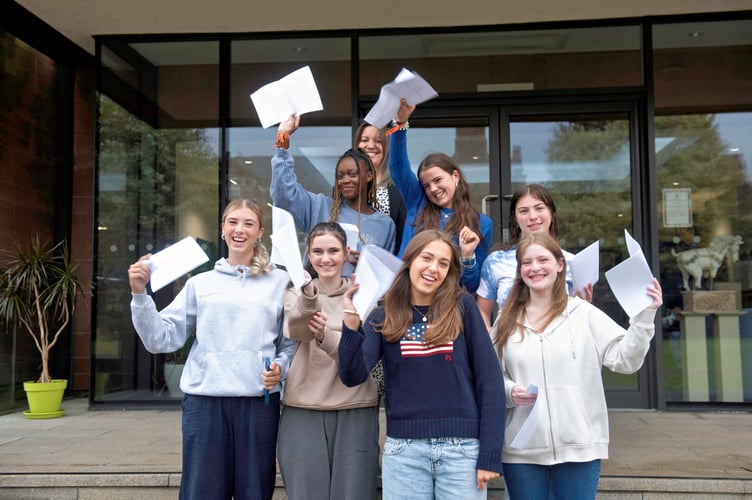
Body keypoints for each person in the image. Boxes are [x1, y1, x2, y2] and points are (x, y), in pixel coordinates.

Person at [127, 199, 294, 500]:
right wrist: (140, 295)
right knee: (200, 493)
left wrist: (281, 368)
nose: (239, 229)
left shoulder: (280, 282)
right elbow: (160, 339)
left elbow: (290, 344)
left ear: (260, 232)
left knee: (255, 493)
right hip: (204, 404)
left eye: (248, 223)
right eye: (232, 222)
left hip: (258, 404)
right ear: (222, 229)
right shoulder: (200, 284)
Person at [493, 233, 662, 500]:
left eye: (542, 260)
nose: (534, 268)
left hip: (580, 448)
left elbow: (626, 361)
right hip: (521, 451)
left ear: (560, 265)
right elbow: (491, 377)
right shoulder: (505, 319)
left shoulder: (584, 314)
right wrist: (509, 391)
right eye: (526, 262)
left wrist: (644, 317)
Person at [338, 229, 505, 499]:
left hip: (461, 451)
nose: (433, 269)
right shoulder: (384, 315)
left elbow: (490, 382)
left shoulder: (462, 307)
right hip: (404, 453)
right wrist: (351, 320)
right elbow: (352, 375)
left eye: (443, 263)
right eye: (427, 258)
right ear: (410, 261)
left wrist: (489, 455)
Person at [278, 221, 380, 500]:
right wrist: (310, 297)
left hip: (356, 409)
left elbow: (360, 356)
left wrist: (326, 334)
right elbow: (298, 330)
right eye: (318, 252)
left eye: (333, 250)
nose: (325, 259)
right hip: (303, 409)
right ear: (308, 255)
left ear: (347, 253)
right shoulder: (295, 292)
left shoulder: (366, 295)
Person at [388, 100, 492, 293]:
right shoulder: (417, 202)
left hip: (449, 308)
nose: (433, 189)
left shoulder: (481, 223)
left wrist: (468, 256)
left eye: (438, 180)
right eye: (426, 185)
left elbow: (473, 286)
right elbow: (398, 168)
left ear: (455, 176)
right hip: (406, 300)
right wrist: (400, 125)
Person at [271, 114, 396, 275]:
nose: (345, 180)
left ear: (369, 176)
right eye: (340, 175)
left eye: (353, 174)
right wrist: (282, 139)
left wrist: (366, 264)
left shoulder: (385, 225)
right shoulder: (319, 207)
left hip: (356, 299)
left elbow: (386, 277)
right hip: (317, 297)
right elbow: (283, 195)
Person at [476, 183, 592, 331]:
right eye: (524, 211)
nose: (532, 217)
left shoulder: (574, 262)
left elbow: (582, 317)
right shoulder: (495, 262)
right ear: (515, 218)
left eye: (539, 208)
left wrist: (585, 306)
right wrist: (488, 337)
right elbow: (482, 312)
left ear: (551, 213)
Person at [355, 121, 407, 255]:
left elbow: (403, 234)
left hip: (386, 264)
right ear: (357, 145)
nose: (371, 146)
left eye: (378, 141)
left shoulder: (398, 187)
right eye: (364, 140)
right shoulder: (345, 184)